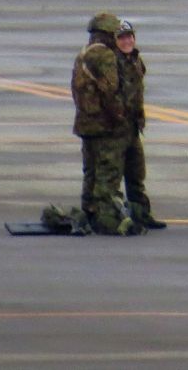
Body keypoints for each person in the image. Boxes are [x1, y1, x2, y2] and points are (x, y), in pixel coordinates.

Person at [71, 12, 138, 236]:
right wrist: (119, 116)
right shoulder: (106, 56)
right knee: (107, 172)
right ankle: (105, 217)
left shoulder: (83, 54)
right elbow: (110, 90)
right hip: (103, 124)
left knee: (90, 171)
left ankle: (88, 212)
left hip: (85, 122)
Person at [114, 20, 166, 230]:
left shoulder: (136, 61)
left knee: (136, 173)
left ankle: (141, 213)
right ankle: (115, 216)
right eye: (122, 37)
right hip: (116, 128)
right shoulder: (112, 63)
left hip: (133, 126)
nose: (127, 41)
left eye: (129, 36)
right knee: (113, 175)